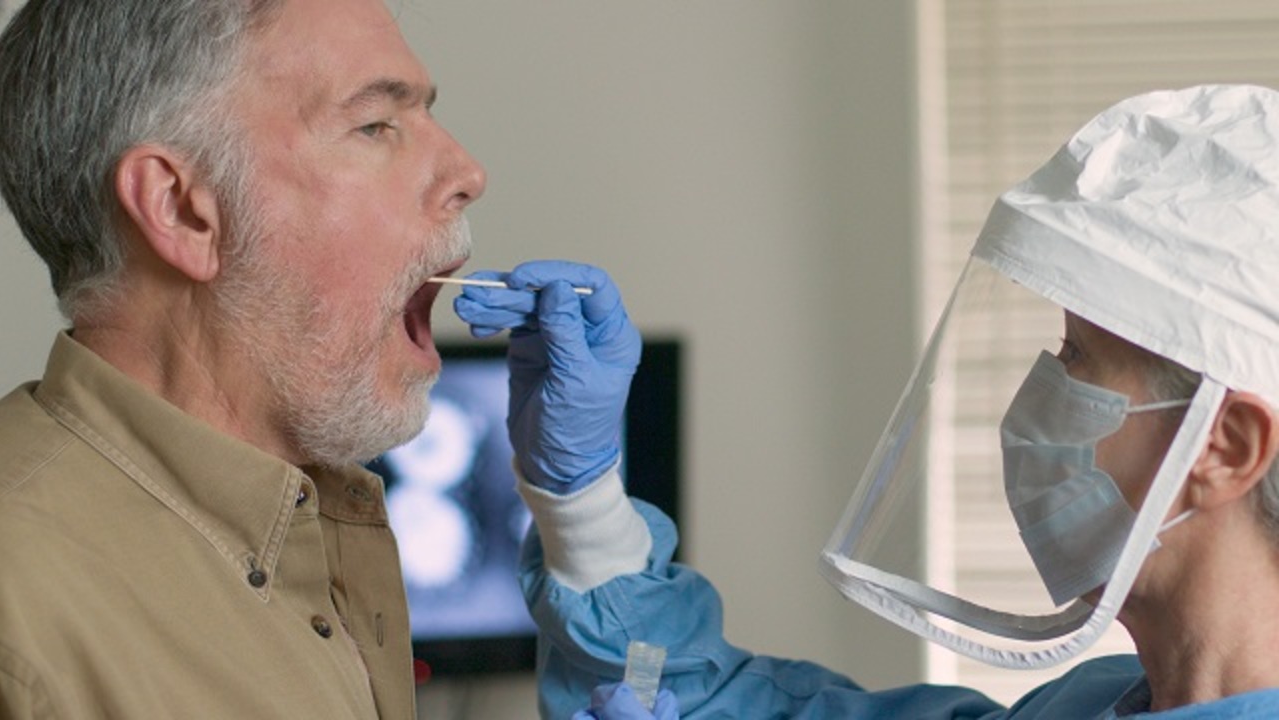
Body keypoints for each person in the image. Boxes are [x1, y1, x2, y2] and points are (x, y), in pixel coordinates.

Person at [454, 84, 1279, 719]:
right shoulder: (1096, 702)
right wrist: (582, 499)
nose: (1038, 396)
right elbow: (738, 708)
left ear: (1226, 446)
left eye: (1080, 358)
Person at [0, 0, 484, 717]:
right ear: (180, 209)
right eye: (376, 124)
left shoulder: (323, 516)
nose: (467, 172)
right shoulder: (19, 610)